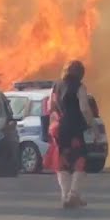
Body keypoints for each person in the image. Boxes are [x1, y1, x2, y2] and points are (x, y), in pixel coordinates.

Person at [43, 60, 96, 209]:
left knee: (62, 163)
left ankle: (66, 196)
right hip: (74, 129)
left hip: (59, 129)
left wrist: (53, 124)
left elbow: (50, 106)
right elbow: (85, 108)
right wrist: (93, 126)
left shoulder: (56, 85)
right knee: (80, 160)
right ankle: (73, 194)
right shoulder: (79, 87)